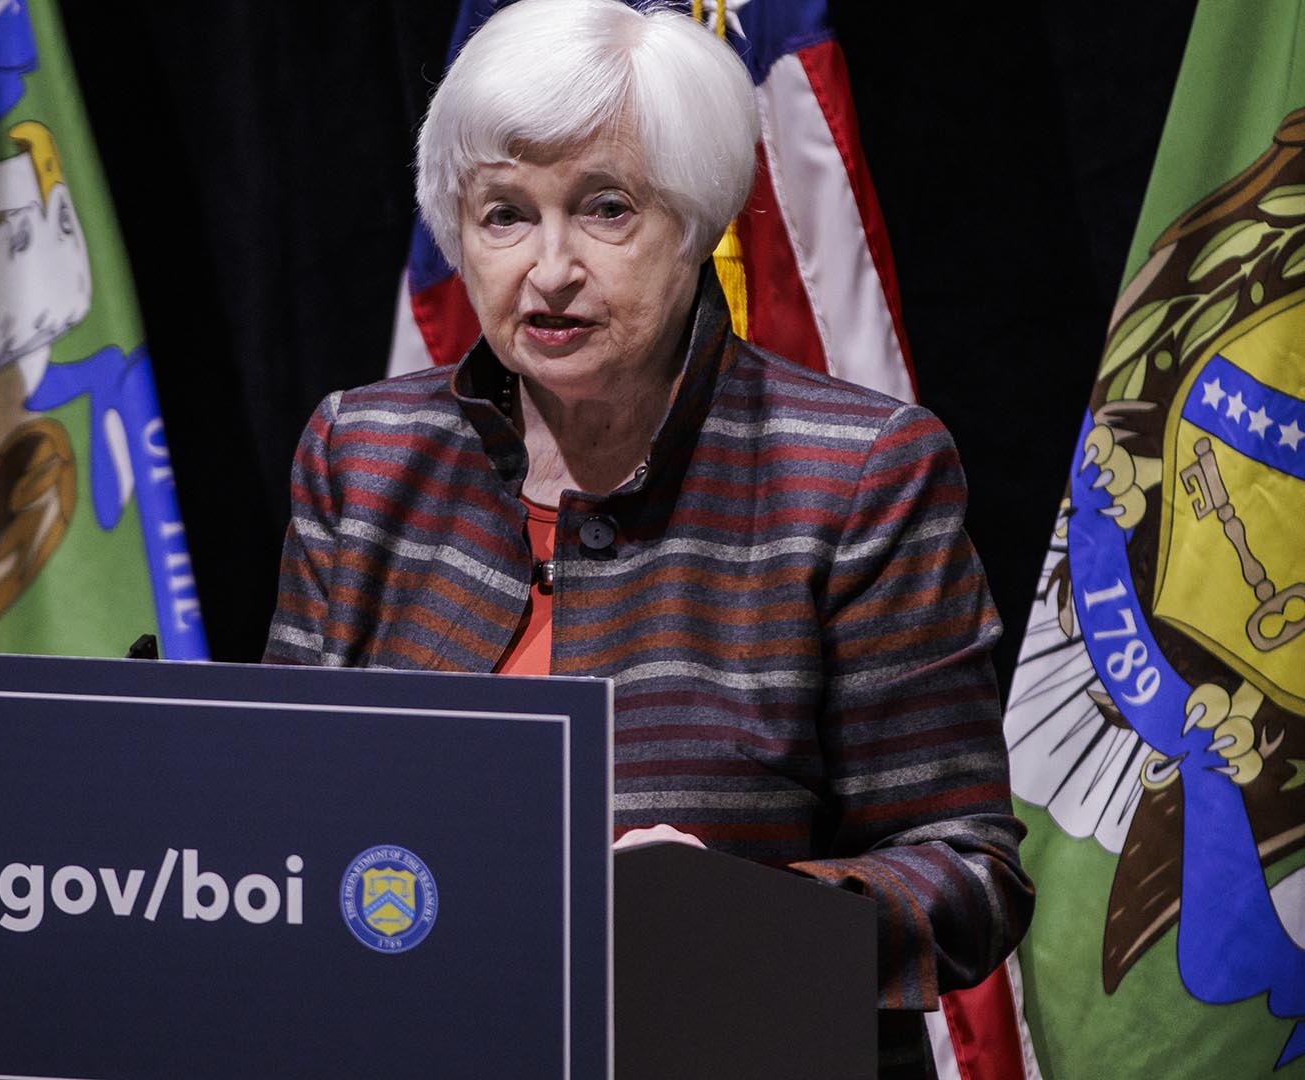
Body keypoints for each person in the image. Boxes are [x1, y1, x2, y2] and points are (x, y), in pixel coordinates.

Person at [263, 0, 1033, 1075]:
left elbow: (968, 875)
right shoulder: (365, 451)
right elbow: (278, 812)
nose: (551, 268)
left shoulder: (858, 472)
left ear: (700, 220)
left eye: (606, 209)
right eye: (504, 215)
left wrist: (736, 912)